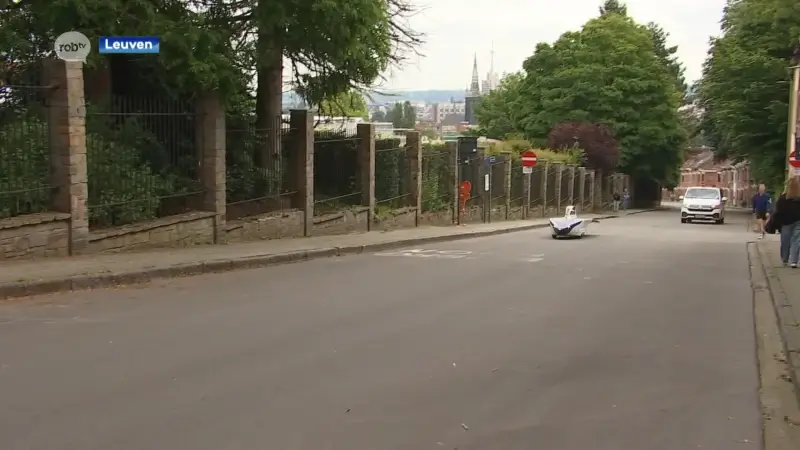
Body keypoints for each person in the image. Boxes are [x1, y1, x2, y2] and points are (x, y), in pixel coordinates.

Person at [773, 177, 800, 268]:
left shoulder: (783, 198)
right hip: (798, 221)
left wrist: (777, 224)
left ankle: (785, 259)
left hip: (786, 222)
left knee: (785, 241)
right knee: (796, 241)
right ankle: (794, 261)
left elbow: (778, 211)